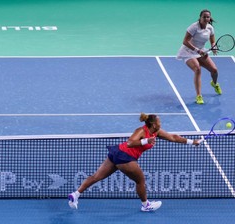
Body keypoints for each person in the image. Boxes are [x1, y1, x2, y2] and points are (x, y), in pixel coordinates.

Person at [68, 113, 200, 212]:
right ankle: (145, 205)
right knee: (140, 181)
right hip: (125, 157)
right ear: (154, 124)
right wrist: (145, 141)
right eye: (159, 122)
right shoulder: (141, 131)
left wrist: (192, 142)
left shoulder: (156, 132)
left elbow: (173, 137)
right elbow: (130, 142)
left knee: (97, 176)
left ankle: (76, 194)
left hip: (117, 153)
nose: (161, 123)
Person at [177, 9, 221, 105]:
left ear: (210, 18)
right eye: (204, 17)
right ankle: (199, 96)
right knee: (197, 69)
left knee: (214, 70)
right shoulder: (193, 27)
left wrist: (214, 47)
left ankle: (214, 83)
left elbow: (212, 41)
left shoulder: (210, 28)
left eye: (207, 17)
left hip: (200, 51)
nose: (206, 18)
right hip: (188, 51)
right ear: (200, 18)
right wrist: (197, 50)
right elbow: (185, 41)